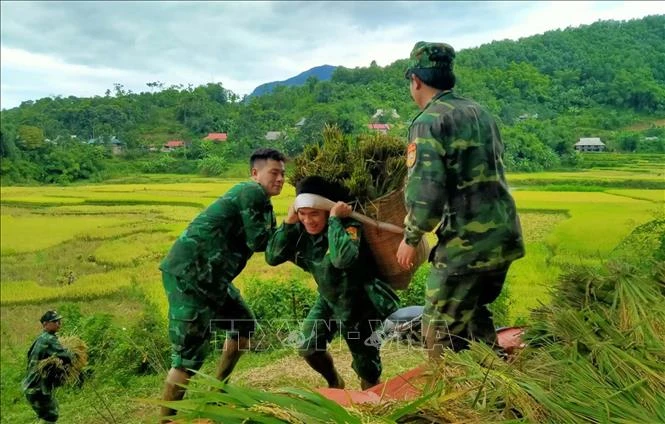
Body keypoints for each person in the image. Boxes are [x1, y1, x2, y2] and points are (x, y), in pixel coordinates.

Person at [396, 41, 525, 361]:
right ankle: (496, 378)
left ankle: (447, 397)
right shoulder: (480, 113)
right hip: (504, 234)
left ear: (416, 81)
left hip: (468, 241)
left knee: (437, 327)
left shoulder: (428, 121)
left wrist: (411, 237)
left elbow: (427, 191)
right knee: (470, 308)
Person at [158, 148, 286, 419]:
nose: (280, 179)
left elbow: (274, 245)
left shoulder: (264, 204)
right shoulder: (250, 192)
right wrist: (295, 223)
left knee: (243, 326)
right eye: (274, 172)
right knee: (186, 359)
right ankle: (165, 419)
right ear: (255, 173)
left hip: (214, 280)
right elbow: (262, 242)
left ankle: (217, 391)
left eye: (283, 174)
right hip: (191, 276)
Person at [266, 176, 400, 390]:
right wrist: (290, 220)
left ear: (328, 211)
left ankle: (371, 404)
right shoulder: (299, 229)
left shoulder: (349, 226)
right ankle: (334, 383)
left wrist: (335, 221)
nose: (308, 220)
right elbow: (272, 257)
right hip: (328, 300)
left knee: (367, 367)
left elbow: (342, 259)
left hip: (358, 305)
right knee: (308, 346)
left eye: (314, 214)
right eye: (303, 213)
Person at [22, 310, 74, 424]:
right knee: (51, 416)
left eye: (59, 321)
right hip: (37, 387)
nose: (58, 323)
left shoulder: (41, 338)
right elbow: (67, 357)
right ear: (45, 324)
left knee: (50, 411)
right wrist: (72, 353)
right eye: (55, 321)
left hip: (32, 385)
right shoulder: (49, 339)